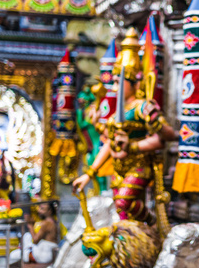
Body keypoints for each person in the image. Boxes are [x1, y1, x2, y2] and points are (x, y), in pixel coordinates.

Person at [73, 28, 177, 226]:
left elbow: (163, 138)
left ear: (133, 82)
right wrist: (89, 173)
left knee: (124, 202)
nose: (115, 87)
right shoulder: (116, 114)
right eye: (114, 82)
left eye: (119, 81)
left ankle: (151, 223)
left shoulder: (143, 107)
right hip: (119, 169)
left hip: (139, 166)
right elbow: (109, 144)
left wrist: (133, 146)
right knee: (121, 216)